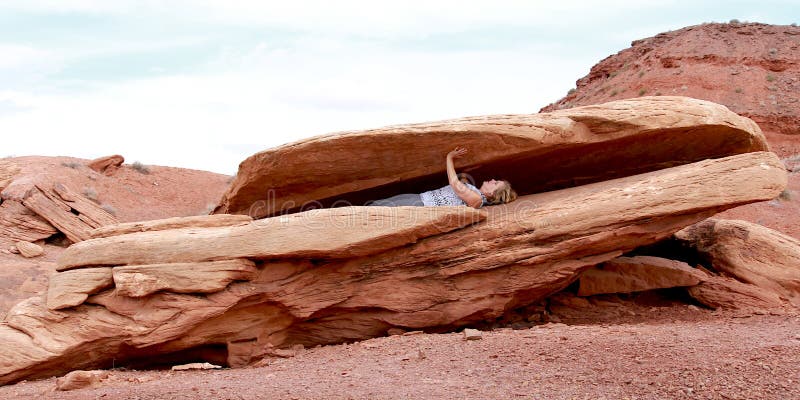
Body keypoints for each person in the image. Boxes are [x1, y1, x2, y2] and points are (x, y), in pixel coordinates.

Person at [368, 147, 517, 209]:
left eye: (495, 183)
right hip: (420, 198)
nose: (492, 180)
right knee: (377, 204)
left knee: (379, 209)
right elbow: (462, 181)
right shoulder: (473, 190)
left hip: (421, 206)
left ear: (492, 194)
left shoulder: (477, 200)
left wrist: (449, 157)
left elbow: (454, 183)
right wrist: (469, 170)